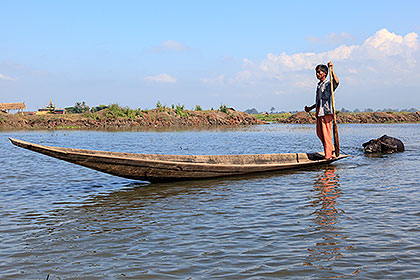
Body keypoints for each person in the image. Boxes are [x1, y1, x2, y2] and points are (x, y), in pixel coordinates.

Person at [305, 61, 339, 160]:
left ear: (324, 73)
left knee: (326, 134)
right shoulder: (319, 85)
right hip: (319, 112)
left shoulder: (328, 84)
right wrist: (310, 108)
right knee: (319, 133)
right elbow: (319, 102)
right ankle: (331, 149)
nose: (317, 74)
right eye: (316, 72)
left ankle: (328, 155)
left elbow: (336, 82)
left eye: (319, 72)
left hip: (326, 112)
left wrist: (332, 70)